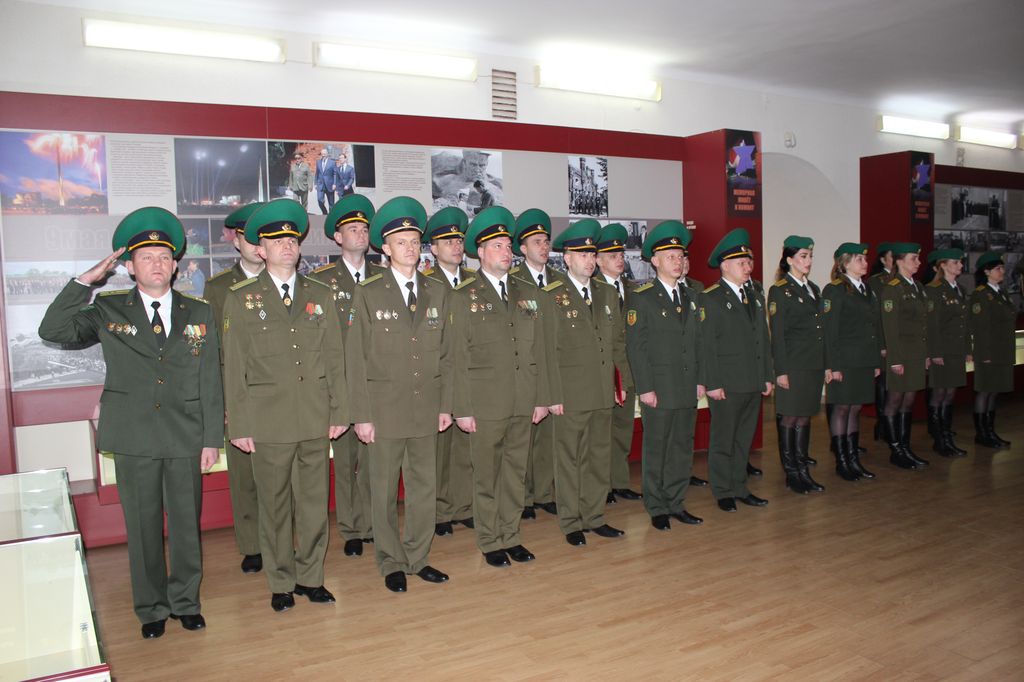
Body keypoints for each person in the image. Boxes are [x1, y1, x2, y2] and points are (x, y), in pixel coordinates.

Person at [39, 207, 223, 639]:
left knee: (186, 526)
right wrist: (86, 281)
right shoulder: (107, 308)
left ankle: (186, 602)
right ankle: (151, 607)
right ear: (129, 267)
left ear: (175, 266)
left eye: (164, 257)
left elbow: (210, 379)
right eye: (146, 257)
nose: (157, 264)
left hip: (185, 434)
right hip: (133, 436)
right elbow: (54, 329)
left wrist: (211, 438)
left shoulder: (199, 312)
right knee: (142, 528)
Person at [221, 199, 349, 613]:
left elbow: (335, 358)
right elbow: (234, 368)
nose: (287, 246)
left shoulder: (320, 294)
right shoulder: (242, 298)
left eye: (292, 239)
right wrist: (240, 424)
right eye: (277, 241)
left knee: (313, 505)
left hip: (313, 416)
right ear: (260, 249)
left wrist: (340, 411)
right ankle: (280, 581)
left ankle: (311, 577)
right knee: (274, 507)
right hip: (268, 421)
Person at [345, 196, 453, 593]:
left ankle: (417, 557)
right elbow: (355, 359)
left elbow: (448, 355)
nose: (410, 248)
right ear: (386, 248)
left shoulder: (437, 291)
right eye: (401, 242)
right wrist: (362, 415)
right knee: (384, 491)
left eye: (414, 241)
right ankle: (390, 560)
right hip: (384, 411)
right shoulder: (369, 292)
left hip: (426, 408)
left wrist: (446, 406)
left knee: (424, 489)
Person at [450, 206, 561, 566]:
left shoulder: (527, 292)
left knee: (515, 473)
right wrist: (462, 408)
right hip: (485, 402)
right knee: (486, 476)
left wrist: (543, 398)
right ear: (480, 252)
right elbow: (457, 358)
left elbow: (540, 350)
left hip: (523, 398)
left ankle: (511, 535)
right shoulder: (464, 295)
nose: (505, 251)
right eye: (496, 246)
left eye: (507, 245)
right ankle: (489, 540)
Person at [545, 219, 625, 545]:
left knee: (599, 457)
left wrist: (620, 384)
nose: (590, 260)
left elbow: (617, 343)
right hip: (571, 393)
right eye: (582, 254)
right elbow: (548, 351)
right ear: (566, 258)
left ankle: (594, 516)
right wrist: (552, 395)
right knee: (569, 459)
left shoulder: (607, 293)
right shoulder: (552, 295)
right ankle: (571, 521)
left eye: (592, 254)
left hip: (602, 391)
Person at [309, 193, 378, 557]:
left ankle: (371, 523)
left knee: (374, 460)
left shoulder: (383, 277)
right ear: (337, 237)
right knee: (347, 458)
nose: (360, 234)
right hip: (341, 384)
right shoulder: (321, 282)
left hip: (377, 383)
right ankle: (351, 527)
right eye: (352, 229)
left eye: (364, 228)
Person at [625, 221, 703, 530]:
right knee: (657, 447)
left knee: (682, 447)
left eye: (681, 255)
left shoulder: (693, 295)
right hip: (659, 387)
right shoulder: (642, 296)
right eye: (670, 256)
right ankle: (656, 505)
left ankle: (676, 501)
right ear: (655, 261)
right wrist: (645, 388)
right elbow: (637, 347)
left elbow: (699, 344)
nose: (677, 261)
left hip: (687, 385)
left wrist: (701, 379)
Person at [203, 202, 266, 575]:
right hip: (238, 394)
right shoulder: (218, 288)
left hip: (279, 394)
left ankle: (280, 540)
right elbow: (211, 351)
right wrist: (223, 402)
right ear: (237, 241)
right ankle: (252, 545)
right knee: (244, 477)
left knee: (284, 477)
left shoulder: (289, 283)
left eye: (262, 237)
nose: (256, 244)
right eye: (249, 237)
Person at [696, 228, 772, 513]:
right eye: (741, 263)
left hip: (752, 380)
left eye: (748, 262)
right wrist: (713, 383)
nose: (748, 267)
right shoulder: (711, 298)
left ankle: (740, 486)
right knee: (723, 440)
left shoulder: (754, 295)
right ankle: (723, 490)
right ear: (725, 265)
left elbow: (762, 339)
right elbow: (707, 346)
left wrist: (767, 375)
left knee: (743, 440)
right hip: (727, 383)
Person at [421, 206, 476, 537]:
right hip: (439, 377)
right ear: (433, 248)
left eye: (458, 241)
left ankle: (464, 506)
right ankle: (440, 511)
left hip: (470, 376)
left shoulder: (474, 282)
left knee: (465, 447)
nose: (456, 247)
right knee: (439, 451)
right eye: (447, 242)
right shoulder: (426, 284)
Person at [510, 208, 564, 519]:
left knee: (548, 438)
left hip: (554, 368)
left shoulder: (559, 281)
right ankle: (525, 497)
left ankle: (544, 493)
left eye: (546, 241)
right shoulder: (514, 282)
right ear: (522, 248)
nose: (544, 247)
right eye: (536, 242)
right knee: (524, 439)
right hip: (526, 369)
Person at [767, 236, 826, 494]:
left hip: (812, 364)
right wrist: (780, 371)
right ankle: (792, 473)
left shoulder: (813, 288)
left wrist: (825, 363)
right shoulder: (780, 290)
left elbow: (820, 330)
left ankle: (803, 470)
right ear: (789, 259)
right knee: (790, 417)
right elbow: (778, 335)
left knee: (804, 416)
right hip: (793, 365)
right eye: (803, 256)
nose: (808, 261)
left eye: (810, 256)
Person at [821, 243, 882, 482]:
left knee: (855, 408)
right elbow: (830, 331)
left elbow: (874, 328)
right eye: (859, 259)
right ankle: (842, 462)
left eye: (865, 259)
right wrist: (832, 365)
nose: (865, 263)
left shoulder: (867, 290)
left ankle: (853, 459)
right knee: (842, 408)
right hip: (844, 361)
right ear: (845, 263)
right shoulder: (835, 290)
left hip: (863, 360)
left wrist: (874, 361)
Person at [596, 222, 642, 504]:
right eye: (612, 256)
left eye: (621, 255)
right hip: (605, 372)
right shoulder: (593, 290)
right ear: (598, 260)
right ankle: (603, 487)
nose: (619, 259)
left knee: (623, 431)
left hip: (628, 370)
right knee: (602, 434)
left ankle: (620, 481)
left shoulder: (631, 289)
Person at [878, 242, 929, 470]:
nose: (918, 262)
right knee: (894, 401)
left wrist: (925, 354)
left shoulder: (917, 286)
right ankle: (896, 450)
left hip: (916, 352)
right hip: (901, 353)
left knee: (908, 401)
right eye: (913, 258)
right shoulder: (893, 288)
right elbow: (890, 328)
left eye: (918, 258)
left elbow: (923, 324)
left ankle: (906, 448)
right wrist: (895, 359)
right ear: (899, 261)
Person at [924, 248, 969, 457]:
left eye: (960, 262)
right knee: (939, 393)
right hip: (942, 350)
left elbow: (964, 323)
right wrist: (935, 352)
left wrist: (967, 349)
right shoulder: (933, 289)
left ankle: (947, 435)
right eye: (955, 262)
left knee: (950, 394)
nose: (960, 265)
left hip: (956, 350)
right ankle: (939, 440)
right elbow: (932, 325)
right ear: (942, 265)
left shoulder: (960, 289)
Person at [968, 252, 1015, 448]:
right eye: (998, 268)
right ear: (986, 272)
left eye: (1002, 268)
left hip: (1002, 351)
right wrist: (985, 354)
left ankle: (990, 431)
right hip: (988, 352)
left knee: (994, 391)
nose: (1002, 271)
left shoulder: (1000, 293)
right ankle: (982, 434)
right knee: (985, 391)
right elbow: (980, 328)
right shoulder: (981, 294)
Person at [868, 242, 895, 441]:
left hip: (899, 343)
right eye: (892, 256)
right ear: (883, 259)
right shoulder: (876, 282)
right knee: (883, 384)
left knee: (896, 387)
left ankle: (892, 425)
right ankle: (883, 424)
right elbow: (875, 317)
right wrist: (881, 345)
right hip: (883, 341)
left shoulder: (902, 281)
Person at [315, 148, 337, 215]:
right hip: (321, 185)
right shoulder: (318, 162)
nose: (323, 155)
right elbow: (317, 173)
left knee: (331, 203)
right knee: (320, 200)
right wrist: (315, 183)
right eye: (322, 154)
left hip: (330, 185)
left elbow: (335, 174)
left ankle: (331, 215)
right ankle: (325, 213)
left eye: (324, 154)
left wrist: (334, 184)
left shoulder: (332, 162)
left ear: (327, 154)